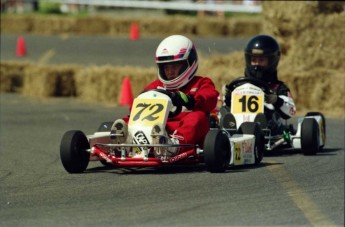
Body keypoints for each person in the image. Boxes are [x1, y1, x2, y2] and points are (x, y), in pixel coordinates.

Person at [111, 35, 219, 156]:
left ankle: (173, 146)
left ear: (188, 63)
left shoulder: (201, 83)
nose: (169, 71)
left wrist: (190, 100)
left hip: (185, 129)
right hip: (158, 128)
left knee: (198, 117)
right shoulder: (156, 86)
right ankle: (124, 141)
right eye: (166, 66)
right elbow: (134, 107)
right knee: (128, 119)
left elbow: (210, 98)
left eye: (174, 66)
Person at [222, 34, 296, 134]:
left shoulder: (278, 87)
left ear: (272, 61)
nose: (256, 64)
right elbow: (227, 105)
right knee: (223, 111)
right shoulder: (238, 86)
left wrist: (276, 100)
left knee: (266, 113)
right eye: (253, 60)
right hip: (238, 125)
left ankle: (261, 126)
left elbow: (291, 111)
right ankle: (228, 129)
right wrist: (227, 96)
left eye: (261, 60)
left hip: (268, 128)